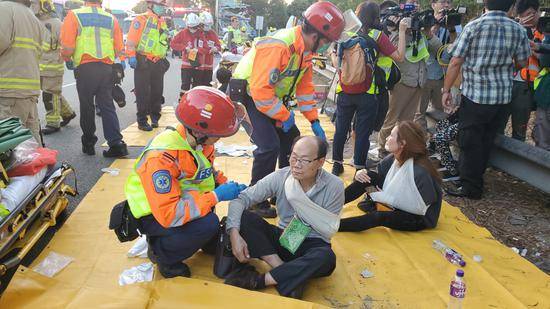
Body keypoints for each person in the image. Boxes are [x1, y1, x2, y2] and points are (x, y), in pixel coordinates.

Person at [230, 1, 351, 218]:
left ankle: (284, 192)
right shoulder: (280, 45)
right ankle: (255, 199)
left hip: (271, 99)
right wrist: (284, 115)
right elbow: (259, 91)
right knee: (268, 146)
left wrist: (313, 120)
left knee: (292, 142)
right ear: (316, 36)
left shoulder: (305, 50)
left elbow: (304, 89)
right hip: (249, 97)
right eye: (328, 42)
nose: (328, 47)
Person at [125, 87, 249, 278]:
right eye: (219, 133)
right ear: (200, 131)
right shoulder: (161, 157)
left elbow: (206, 172)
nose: (221, 137)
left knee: (208, 217)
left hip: (178, 202)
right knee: (207, 223)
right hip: (156, 214)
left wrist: (228, 185)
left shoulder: (199, 142)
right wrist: (216, 196)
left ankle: (200, 238)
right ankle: (162, 254)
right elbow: (170, 214)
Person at [225, 136, 344, 299]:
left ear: (320, 162)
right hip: (282, 239)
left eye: (304, 160)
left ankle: (259, 280)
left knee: (326, 258)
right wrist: (234, 234)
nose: (296, 164)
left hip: (312, 243)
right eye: (293, 157)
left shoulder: (334, 186)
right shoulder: (282, 177)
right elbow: (241, 199)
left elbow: (327, 228)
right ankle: (283, 271)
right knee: (245, 218)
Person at [442, 0, 531, 199]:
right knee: (487, 139)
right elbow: (523, 61)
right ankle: (474, 178)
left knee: (469, 141)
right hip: (502, 97)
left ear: (486, 5)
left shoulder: (473, 26)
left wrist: (446, 90)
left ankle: (471, 187)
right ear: (511, 7)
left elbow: (456, 61)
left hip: (476, 97)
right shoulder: (518, 29)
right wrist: (506, 69)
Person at [330, 1, 406, 176]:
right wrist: (401, 31)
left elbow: (336, 64)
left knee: (341, 129)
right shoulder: (378, 35)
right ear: (375, 17)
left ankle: (337, 164)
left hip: (344, 90)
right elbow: (400, 57)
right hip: (368, 92)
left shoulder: (346, 33)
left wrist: (334, 54)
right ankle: (359, 168)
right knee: (363, 132)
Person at [340, 121, 442, 232]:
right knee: (367, 177)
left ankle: (334, 225)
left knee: (379, 217)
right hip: (397, 199)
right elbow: (375, 176)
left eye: (392, 135)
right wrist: (360, 174)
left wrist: (387, 198)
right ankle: (331, 204)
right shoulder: (393, 158)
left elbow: (422, 207)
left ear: (402, 144)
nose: (387, 138)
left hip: (419, 217)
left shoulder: (419, 171)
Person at [60, 0, 127, 157]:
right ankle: (116, 144)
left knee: (87, 106)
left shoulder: (74, 15)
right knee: (107, 105)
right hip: (106, 68)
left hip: (85, 68)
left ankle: (89, 144)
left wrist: (67, 58)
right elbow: (118, 48)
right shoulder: (111, 19)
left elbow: (68, 47)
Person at [377, 3, 442, 159]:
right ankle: (382, 149)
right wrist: (401, 30)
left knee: (406, 121)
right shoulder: (395, 29)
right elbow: (391, 49)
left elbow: (438, 49)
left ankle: (399, 149)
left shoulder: (420, 31)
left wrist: (428, 32)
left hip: (419, 81)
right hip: (402, 81)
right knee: (391, 118)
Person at [496, 0, 543, 141]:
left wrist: (532, 46)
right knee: (498, 126)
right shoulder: (513, 28)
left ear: (538, 11)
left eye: (530, 14)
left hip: (527, 87)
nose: (528, 19)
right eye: (524, 16)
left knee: (520, 129)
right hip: (506, 82)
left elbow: (544, 58)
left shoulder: (545, 31)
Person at [0, 0, 45, 144]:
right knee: (31, 148)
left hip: (8, 91)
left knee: (9, 148)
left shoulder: (4, 9)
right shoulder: (33, 17)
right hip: (28, 92)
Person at [414, 0, 462, 131]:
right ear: (433, 5)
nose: (446, 5)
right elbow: (426, 45)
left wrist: (452, 28)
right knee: (419, 112)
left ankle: (436, 141)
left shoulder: (455, 23)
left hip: (443, 75)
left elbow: (457, 48)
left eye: (449, 2)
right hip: (424, 74)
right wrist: (435, 25)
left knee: (440, 111)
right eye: (442, 1)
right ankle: (420, 144)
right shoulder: (424, 23)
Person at [32, 0, 76, 135]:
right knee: (54, 93)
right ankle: (68, 113)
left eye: (34, 3)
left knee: (49, 96)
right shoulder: (35, 22)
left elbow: (66, 44)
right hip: (39, 67)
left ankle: (53, 123)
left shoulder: (57, 24)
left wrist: (70, 60)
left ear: (44, 6)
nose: (31, 6)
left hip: (53, 67)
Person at [126, 0, 169, 132]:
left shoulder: (162, 22)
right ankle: (142, 120)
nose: (162, 8)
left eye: (163, 6)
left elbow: (163, 42)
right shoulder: (141, 19)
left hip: (158, 61)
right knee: (142, 92)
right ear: (151, 5)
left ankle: (155, 117)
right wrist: (131, 56)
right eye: (160, 5)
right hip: (143, 60)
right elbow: (132, 40)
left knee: (157, 91)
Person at [171, 13, 208, 97]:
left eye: (195, 27)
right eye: (191, 27)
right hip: (186, 66)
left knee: (197, 87)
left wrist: (198, 50)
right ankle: (182, 103)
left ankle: (195, 105)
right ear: (187, 25)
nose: (193, 29)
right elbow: (173, 44)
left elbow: (206, 49)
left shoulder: (201, 34)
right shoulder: (183, 33)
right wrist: (184, 48)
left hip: (198, 65)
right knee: (185, 86)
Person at [199, 11, 221, 87]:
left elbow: (219, 46)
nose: (208, 27)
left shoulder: (212, 33)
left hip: (208, 66)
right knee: (197, 86)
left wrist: (216, 48)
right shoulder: (196, 33)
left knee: (207, 86)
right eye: (206, 25)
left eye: (209, 25)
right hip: (197, 66)